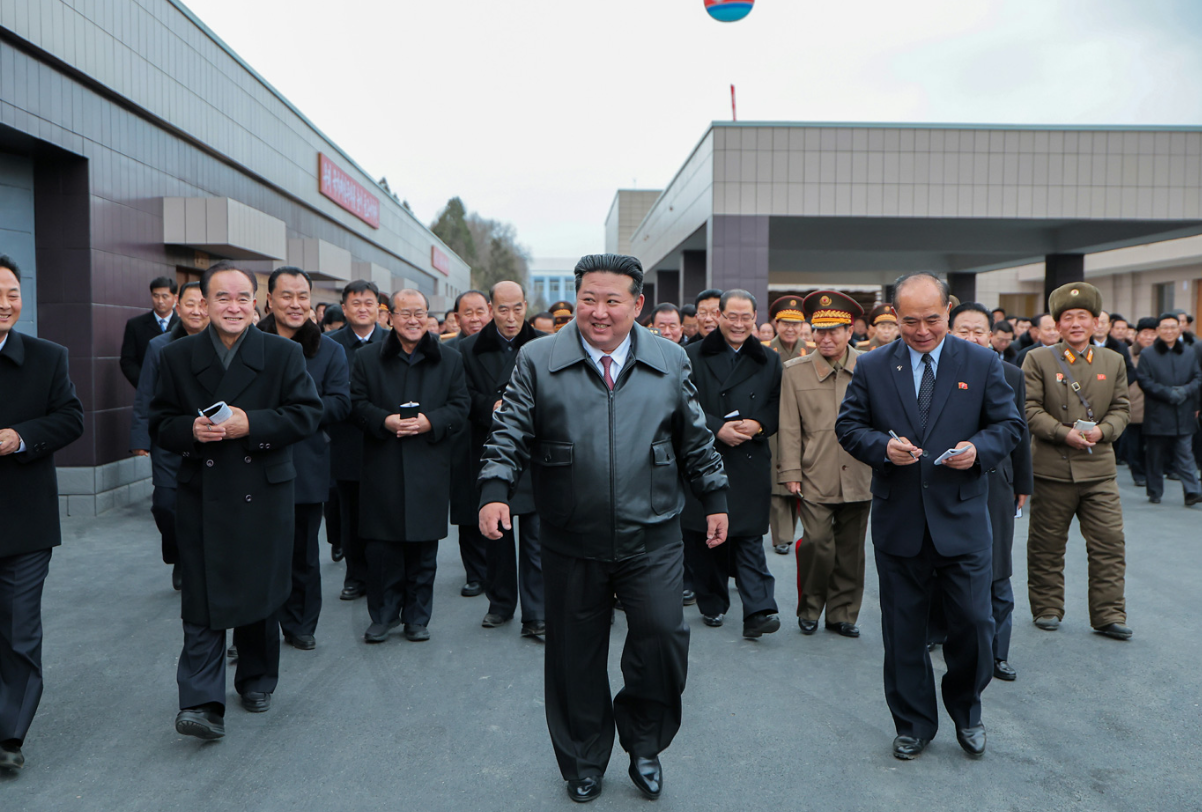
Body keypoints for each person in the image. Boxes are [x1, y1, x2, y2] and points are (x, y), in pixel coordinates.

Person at [478, 254, 728, 803]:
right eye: (589, 298)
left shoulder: (669, 358)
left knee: (663, 637)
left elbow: (695, 437)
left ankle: (644, 743)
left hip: (654, 533)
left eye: (613, 300)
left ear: (637, 304)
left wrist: (715, 498)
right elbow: (509, 432)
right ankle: (585, 757)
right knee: (574, 655)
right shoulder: (538, 358)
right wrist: (495, 491)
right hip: (571, 534)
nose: (598, 311)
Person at [836, 271, 1022, 761]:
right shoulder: (874, 365)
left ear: (949, 311)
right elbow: (849, 426)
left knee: (975, 626)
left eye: (933, 320)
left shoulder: (981, 361)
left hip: (961, 519)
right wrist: (883, 447)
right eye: (911, 321)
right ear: (893, 317)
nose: (922, 331)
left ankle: (968, 710)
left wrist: (977, 449)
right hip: (900, 522)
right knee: (902, 632)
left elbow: (1009, 425)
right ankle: (914, 722)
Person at [150, 261, 322, 740]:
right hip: (201, 492)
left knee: (260, 590)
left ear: (257, 303)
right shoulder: (177, 356)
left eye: (243, 298)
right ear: (203, 304)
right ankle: (201, 702)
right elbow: (160, 424)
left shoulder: (283, 354)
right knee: (202, 599)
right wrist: (191, 431)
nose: (233, 307)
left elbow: (308, 415)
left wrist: (254, 425)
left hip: (262, 491)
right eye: (222, 298)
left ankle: (257, 676)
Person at [0, 256, 85, 772]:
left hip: (24, 520)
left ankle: (10, 735)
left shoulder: (47, 357)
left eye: (11, 292)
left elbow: (71, 418)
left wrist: (21, 437)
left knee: (18, 628)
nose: (4, 303)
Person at [351, 290, 469, 643]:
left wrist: (429, 422)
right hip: (382, 463)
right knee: (382, 549)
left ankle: (418, 617)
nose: (413, 320)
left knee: (422, 549)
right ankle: (383, 615)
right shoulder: (367, 358)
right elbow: (356, 404)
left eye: (420, 313)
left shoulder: (448, 359)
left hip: (428, 464)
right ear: (390, 317)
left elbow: (460, 406)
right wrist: (384, 420)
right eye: (406, 313)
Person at [1022, 283, 1131, 641]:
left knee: (1109, 543)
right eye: (1067, 318)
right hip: (1052, 467)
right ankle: (1047, 607)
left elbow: (1121, 408)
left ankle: (1109, 614)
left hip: (1098, 468)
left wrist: (1104, 431)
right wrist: (1060, 432)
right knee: (1046, 544)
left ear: (1096, 321)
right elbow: (1028, 409)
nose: (1075, 324)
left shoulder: (1113, 360)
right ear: (1057, 324)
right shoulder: (1038, 359)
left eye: (1082, 316)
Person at [259, 268, 351, 650]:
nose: (295, 304)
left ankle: (300, 623)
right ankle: (254, 625)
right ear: (269, 300)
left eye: (302, 296)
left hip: (306, 463)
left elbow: (341, 403)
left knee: (302, 553)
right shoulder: (249, 343)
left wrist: (293, 413)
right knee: (257, 554)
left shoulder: (330, 350)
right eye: (286, 296)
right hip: (254, 462)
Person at [682, 290, 781, 637]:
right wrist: (717, 428)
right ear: (718, 317)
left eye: (746, 318)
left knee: (749, 538)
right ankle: (712, 601)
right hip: (705, 457)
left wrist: (758, 425)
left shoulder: (770, 359)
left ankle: (759, 610)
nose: (739, 324)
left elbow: (774, 403)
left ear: (755, 319)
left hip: (750, 459)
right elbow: (683, 405)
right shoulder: (691, 355)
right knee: (707, 540)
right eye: (732, 317)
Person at [946, 303, 1033, 681]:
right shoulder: (936, 373)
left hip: (997, 483)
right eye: (963, 330)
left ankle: (998, 652)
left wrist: (1023, 485)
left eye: (979, 330)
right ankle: (941, 634)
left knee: (998, 569)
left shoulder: (1011, 374)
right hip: (949, 481)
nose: (972, 338)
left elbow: (1020, 434)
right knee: (945, 563)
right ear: (949, 333)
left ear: (992, 335)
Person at [778, 291, 872, 638]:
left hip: (861, 473)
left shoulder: (870, 368)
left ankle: (843, 614)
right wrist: (790, 472)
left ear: (851, 332)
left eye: (835, 330)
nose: (826, 338)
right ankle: (810, 608)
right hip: (814, 473)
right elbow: (789, 426)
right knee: (817, 544)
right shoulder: (795, 372)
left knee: (851, 550)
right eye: (819, 331)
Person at [461, 281, 547, 638]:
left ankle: (536, 612)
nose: (511, 318)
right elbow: (460, 396)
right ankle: (500, 604)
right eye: (502, 309)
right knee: (496, 532)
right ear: (491, 309)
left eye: (517, 309)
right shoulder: (467, 348)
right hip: (490, 448)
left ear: (526, 305)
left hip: (535, 450)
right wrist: (488, 406)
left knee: (536, 538)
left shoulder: (545, 346)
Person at [130, 281, 209, 591]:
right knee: (165, 505)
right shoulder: (159, 346)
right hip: (169, 441)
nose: (197, 310)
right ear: (178, 308)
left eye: (203, 303)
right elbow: (145, 393)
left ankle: (195, 561)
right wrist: (140, 438)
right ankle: (177, 555)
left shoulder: (222, 343)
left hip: (208, 441)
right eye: (190, 304)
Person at [327, 281, 388, 598]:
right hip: (347, 441)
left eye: (369, 303)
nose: (362, 309)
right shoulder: (330, 345)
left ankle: (384, 574)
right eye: (356, 303)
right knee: (350, 514)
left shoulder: (393, 341)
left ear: (379, 308)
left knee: (383, 512)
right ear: (345, 308)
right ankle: (355, 575)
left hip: (386, 440)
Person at [446, 290, 493, 598]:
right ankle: (475, 573)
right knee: (467, 509)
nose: (474, 318)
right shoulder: (447, 351)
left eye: (480, 311)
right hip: (462, 438)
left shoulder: (502, 346)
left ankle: (499, 570)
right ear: (456, 317)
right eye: (467, 313)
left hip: (495, 436)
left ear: (490, 312)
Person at [1137, 313, 1202, 505]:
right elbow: (1144, 380)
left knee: (1185, 453)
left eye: (1173, 327)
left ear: (1179, 329)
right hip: (1158, 412)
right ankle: (1155, 491)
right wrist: (1167, 393)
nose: (1169, 331)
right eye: (1164, 327)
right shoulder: (1147, 354)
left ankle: (1192, 491)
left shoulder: (1189, 352)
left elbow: (1198, 378)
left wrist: (1184, 392)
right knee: (1155, 454)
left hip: (1184, 410)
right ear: (1158, 331)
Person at [766, 297, 808, 555]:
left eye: (795, 323)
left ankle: (796, 530)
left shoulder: (812, 350)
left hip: (803, 421)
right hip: (774, 421)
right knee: (776, 478)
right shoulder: (764, 351)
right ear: (776, 324)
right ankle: (782, 536)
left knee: (802, 473)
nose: (790, 329)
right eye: (785, 324)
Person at [120, 276, 180, 387]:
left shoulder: (183, 325)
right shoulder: (136, 325)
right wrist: (144, 383)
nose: (160, 301)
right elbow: (128, 361)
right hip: (147, 389)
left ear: (175, 299)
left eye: (165, 296)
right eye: (156, 296)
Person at [1125, 318, 1157, 486]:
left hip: (1155, 407)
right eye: (1146, 333)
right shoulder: (1128, 353)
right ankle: (1138, 473)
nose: (1149, 337)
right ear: (1138, 335)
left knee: (1153, 446)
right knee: (1134, 444)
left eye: (1153, 334)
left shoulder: (1160, 353)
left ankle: (1151, 472)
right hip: (1134, 405)